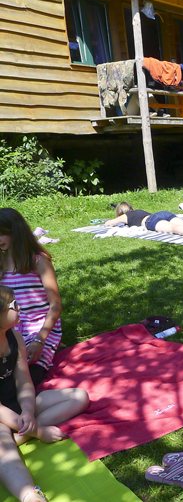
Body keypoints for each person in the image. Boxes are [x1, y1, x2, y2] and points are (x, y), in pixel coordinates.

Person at [0, 285, 89, 502]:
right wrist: (40, 432)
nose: (19, 307)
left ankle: (20, 435)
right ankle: (30, 495)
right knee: (5, 453)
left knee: (80, 397)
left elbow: (24, 381)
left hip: (15, 402)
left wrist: (28, 411)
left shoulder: (15, 337)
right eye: (13, 304)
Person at [0, 209, 63, 388]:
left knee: (27, 376)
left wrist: (40, 339)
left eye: (2, 233)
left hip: (38, 328)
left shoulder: (38, 261)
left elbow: (56, 305)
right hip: (9, 327)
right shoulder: (1, 265)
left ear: (16, 231)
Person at [105, 203, 183, 241]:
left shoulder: (125, 216)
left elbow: (109, 223)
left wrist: (112, 221)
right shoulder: (138, 211)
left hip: (150, 221)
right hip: (161, 213)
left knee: (172, 228)